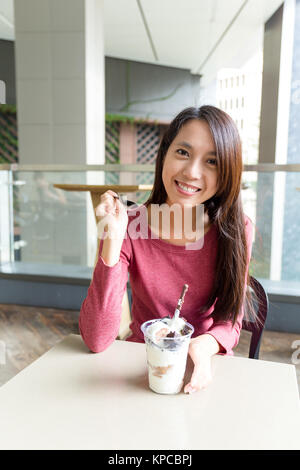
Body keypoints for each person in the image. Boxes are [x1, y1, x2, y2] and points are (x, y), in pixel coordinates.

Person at [79, 105, 254, 394]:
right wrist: (112, 239)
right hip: (141, 369)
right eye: (183, 152)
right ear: (164, 154)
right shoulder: (128, 225)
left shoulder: (236, 231)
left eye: (212, 161)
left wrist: (206, 344)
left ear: (227, 173)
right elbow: (97, 338)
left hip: (204, 370)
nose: (191, 172)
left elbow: (229, 319)